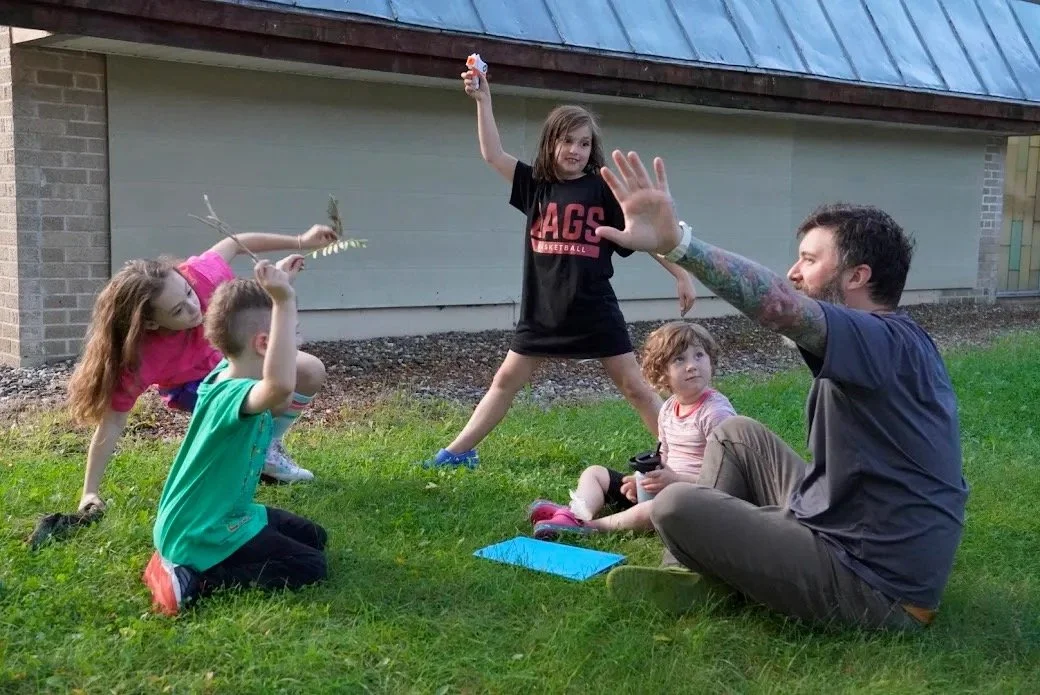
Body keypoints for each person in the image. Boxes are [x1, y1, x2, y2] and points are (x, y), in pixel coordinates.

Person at [594, 151, 968, 631]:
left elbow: (782, 306)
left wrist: (679, 244)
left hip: (877, 585)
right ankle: (696, 571)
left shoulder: (881, 340)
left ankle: (708, 570)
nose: (794, 272)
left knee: (673, 504)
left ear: (857, 276)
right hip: (844, 523)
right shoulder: (889, 340)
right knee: (737, 434)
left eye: (810, 260)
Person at [421, 64, 698, 469]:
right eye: (567, 141)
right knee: (504, 382)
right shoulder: (536, 185)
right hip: (542, 313)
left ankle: (686, 452)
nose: (575, 150)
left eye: (584, 144)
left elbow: (642, 236)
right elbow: (492, 153)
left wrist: (680, 272)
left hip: (594, 308)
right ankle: (457, 452)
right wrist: (484, 100)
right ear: (551, 142)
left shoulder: (602, 188)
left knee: (636, 388)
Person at [67, 225, 338, 513]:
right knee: (275, 396)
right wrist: (90, 492)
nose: (194, 307)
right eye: (177, 311)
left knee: (309, 370)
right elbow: (112, 423)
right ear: (151, 323)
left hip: (233, 359)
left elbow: (235, 243)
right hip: (196, 389)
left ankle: (266, 448)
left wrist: (300, 240)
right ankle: (249, 448)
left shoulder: (200, 279)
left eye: (187, 292)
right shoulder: (142, 358)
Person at [143, 256, 328, 616]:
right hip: (202, 531)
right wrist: (283, 302)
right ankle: (192, 577)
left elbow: (252, 329)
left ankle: (188, 559)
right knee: (311, 567)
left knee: (316, 539)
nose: (298, 341)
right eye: (293, 334)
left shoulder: (226, 370)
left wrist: (280, 289)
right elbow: (280, 388)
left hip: (227, 513)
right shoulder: (234, 394)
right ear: (264, 344)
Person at [527, 321, 735, 539]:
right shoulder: (668, 410)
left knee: (655, 508)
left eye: (699, 355)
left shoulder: (715, 413)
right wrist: (643, 482)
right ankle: (572, 514)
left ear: (711, 360)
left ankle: (588, 527)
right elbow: (664, 457)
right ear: (662, 374)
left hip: (696, 498)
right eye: (679, 359)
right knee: (595, 473)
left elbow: (726, 478)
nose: (692, 365)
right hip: (666, 486)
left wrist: (676, 481)